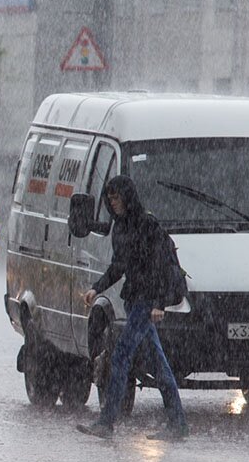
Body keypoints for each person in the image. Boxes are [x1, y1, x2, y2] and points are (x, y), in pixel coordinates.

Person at [76, 175, 189, 441]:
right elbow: (119, 266)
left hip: (146, 301)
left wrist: (159, 302)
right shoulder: (121, 227)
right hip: (134, 298)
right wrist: (97, 287)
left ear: (128, 196)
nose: (113, 203)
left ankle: (107, 422)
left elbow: (161, 264)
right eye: (110, 198)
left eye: (117, 197)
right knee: (159, 365)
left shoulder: (146, 224)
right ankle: (178, 423)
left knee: (121, 356)